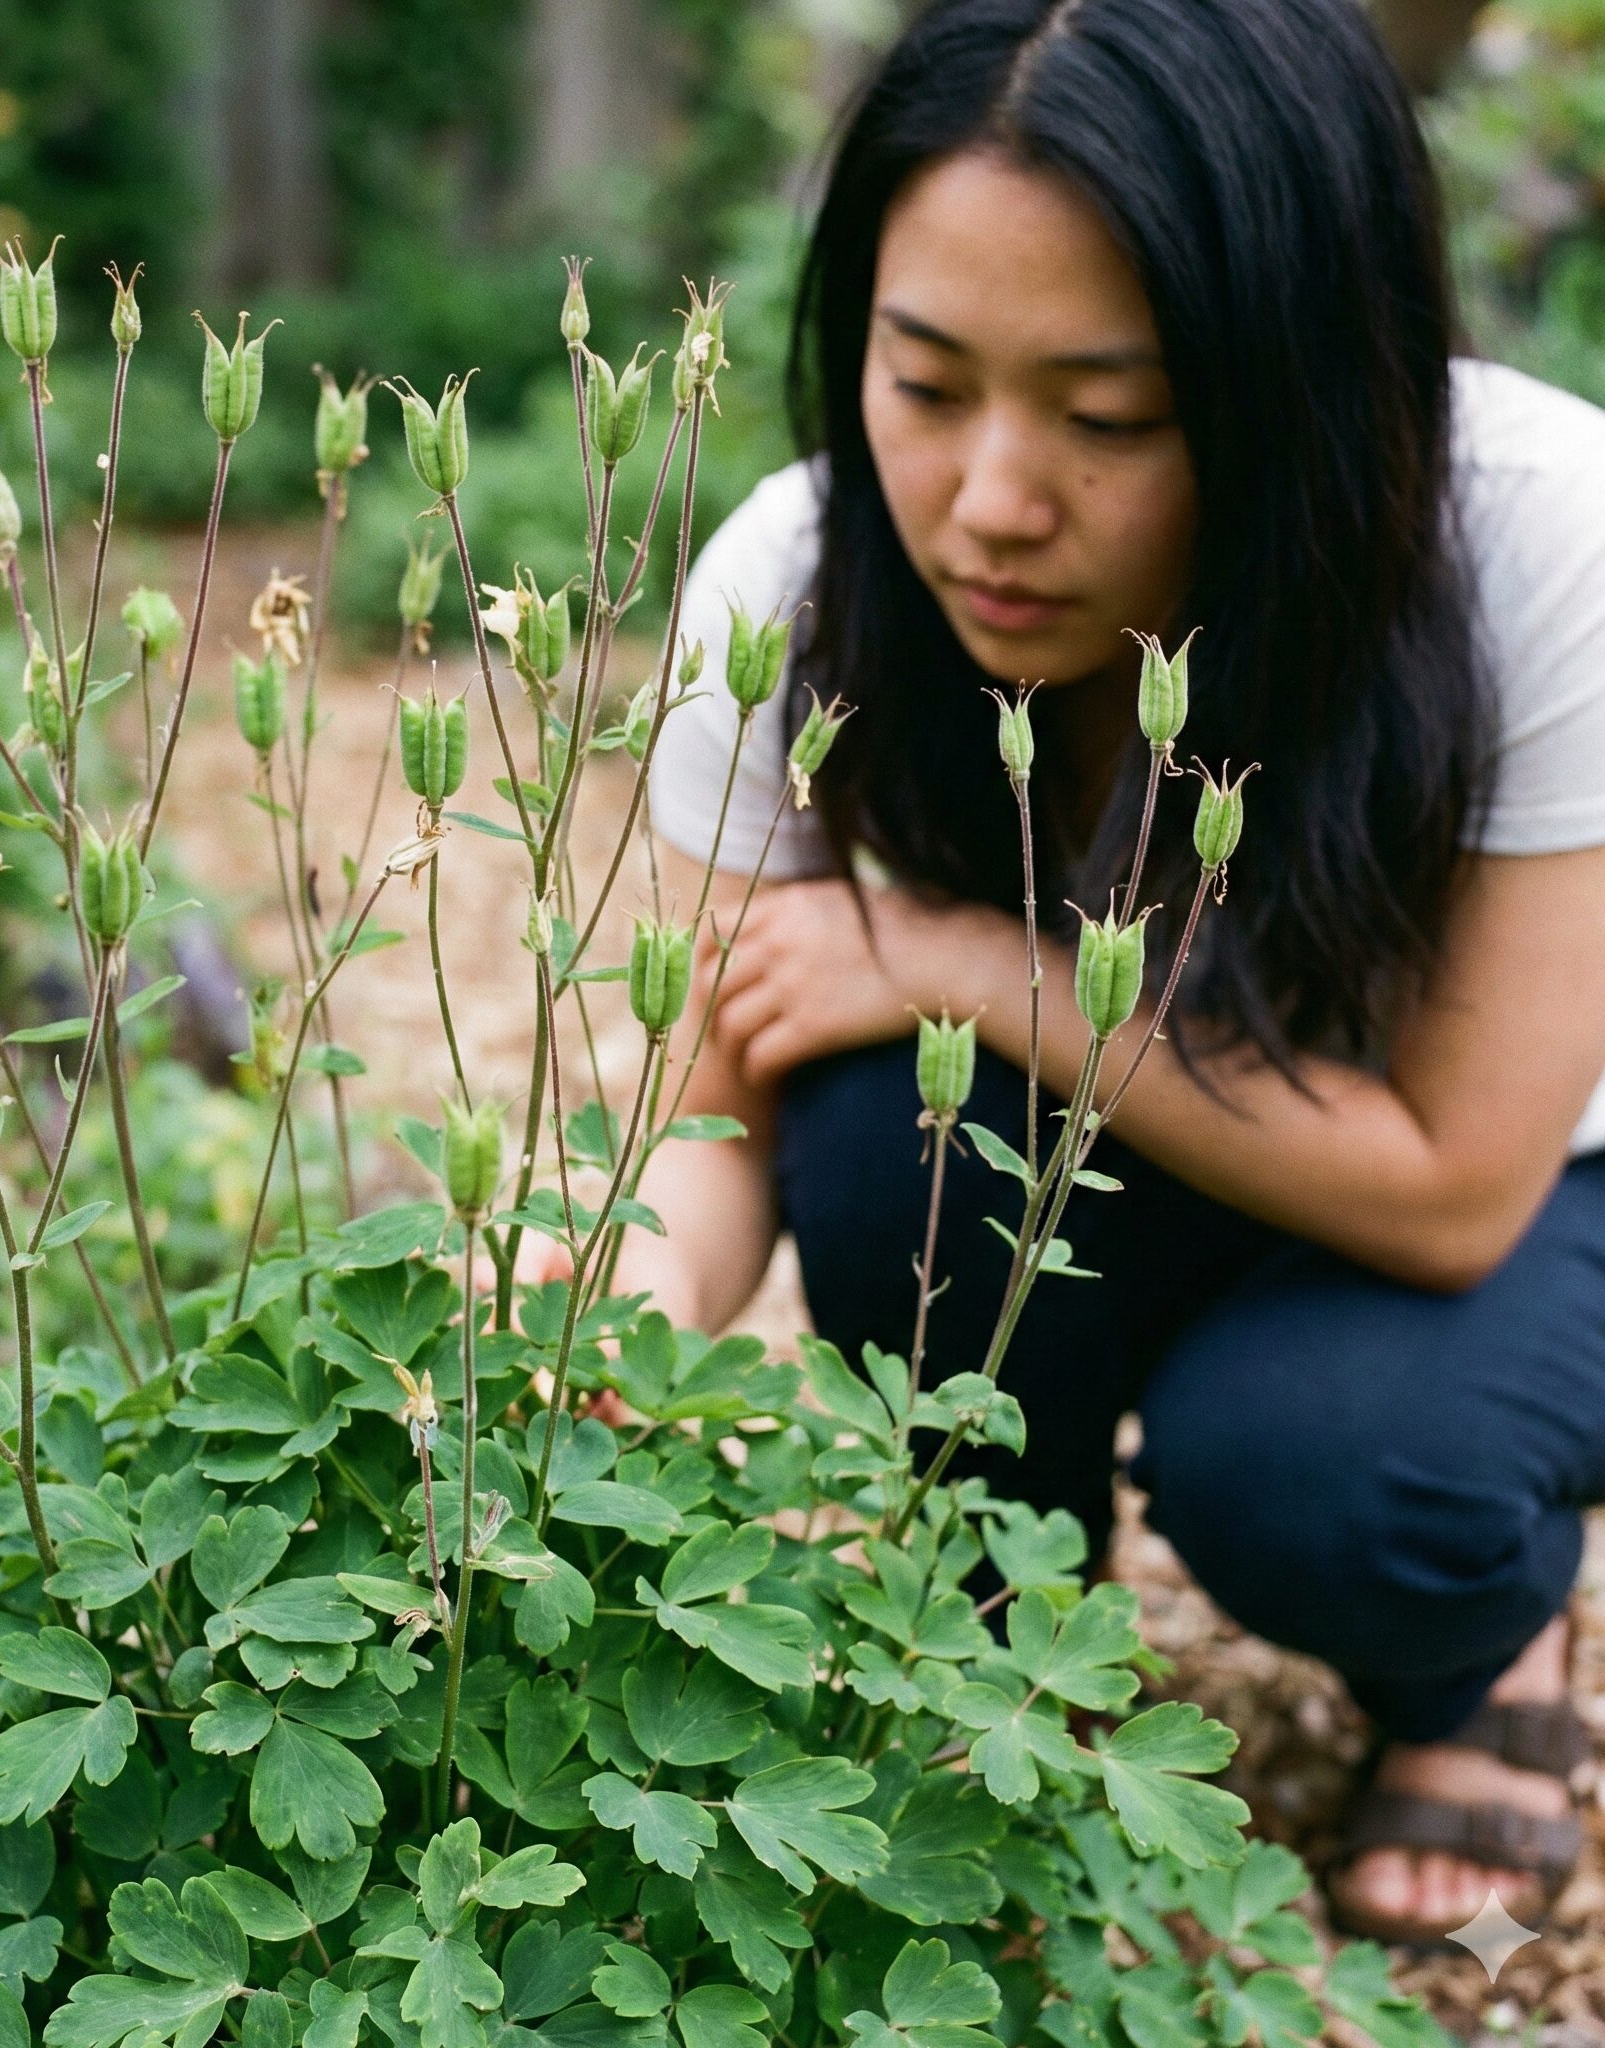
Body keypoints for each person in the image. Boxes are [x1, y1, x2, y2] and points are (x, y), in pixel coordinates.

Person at [617, 0, 1605, 1949]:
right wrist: (582, 1396)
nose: (990, 500)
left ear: (1301, 382)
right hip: (1158, 1140)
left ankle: (1471, 1665)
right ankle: (991, 1675)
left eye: (1109, 415)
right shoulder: (795, 586)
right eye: (922, 383)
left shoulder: (1530, 536)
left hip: (1522, 1195)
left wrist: (962, 955)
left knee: (1326, 1467)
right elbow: (694, 1120)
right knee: (876, 1137)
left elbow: (1450, 1175)